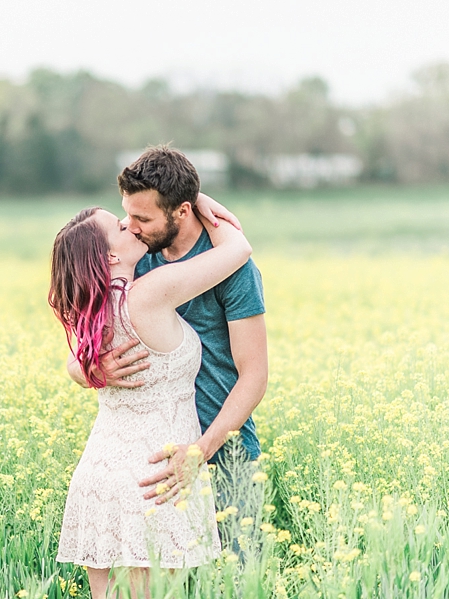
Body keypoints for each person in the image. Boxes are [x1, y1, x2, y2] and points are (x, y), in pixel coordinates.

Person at [50, 197, 252, 597]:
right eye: (121, 228)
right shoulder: (149, 292)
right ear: (109, 258)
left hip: (99, 478)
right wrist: (195, 200)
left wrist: (82, 369)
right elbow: (238, 249)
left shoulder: (92, 313)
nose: (131, 224)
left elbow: (76, 364)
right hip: (153, 480)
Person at [67, 146, 267, 510]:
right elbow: (75, 358)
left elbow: (254, 375)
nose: (130, 226)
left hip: (223, 453)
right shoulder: (135, 258)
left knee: (240, 568)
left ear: (182, 210)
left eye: (142, 217)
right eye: (126, 215)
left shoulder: (235, 271)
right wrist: (91, 369)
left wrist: (200, 452)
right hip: (155, 462)